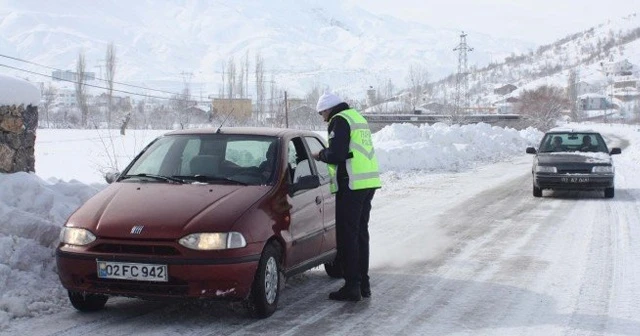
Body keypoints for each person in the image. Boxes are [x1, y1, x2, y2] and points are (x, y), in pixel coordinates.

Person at [311, 92, 382, 302]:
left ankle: (352, 286)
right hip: (367, 182)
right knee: (360, 234)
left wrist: (320, 155)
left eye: (322, 112)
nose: (322, 117)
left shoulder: (339, 121)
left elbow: (337, 154)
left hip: (351, 184)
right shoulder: (356, 117)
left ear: (328, 109)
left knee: (347, 236)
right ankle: (363, 284)